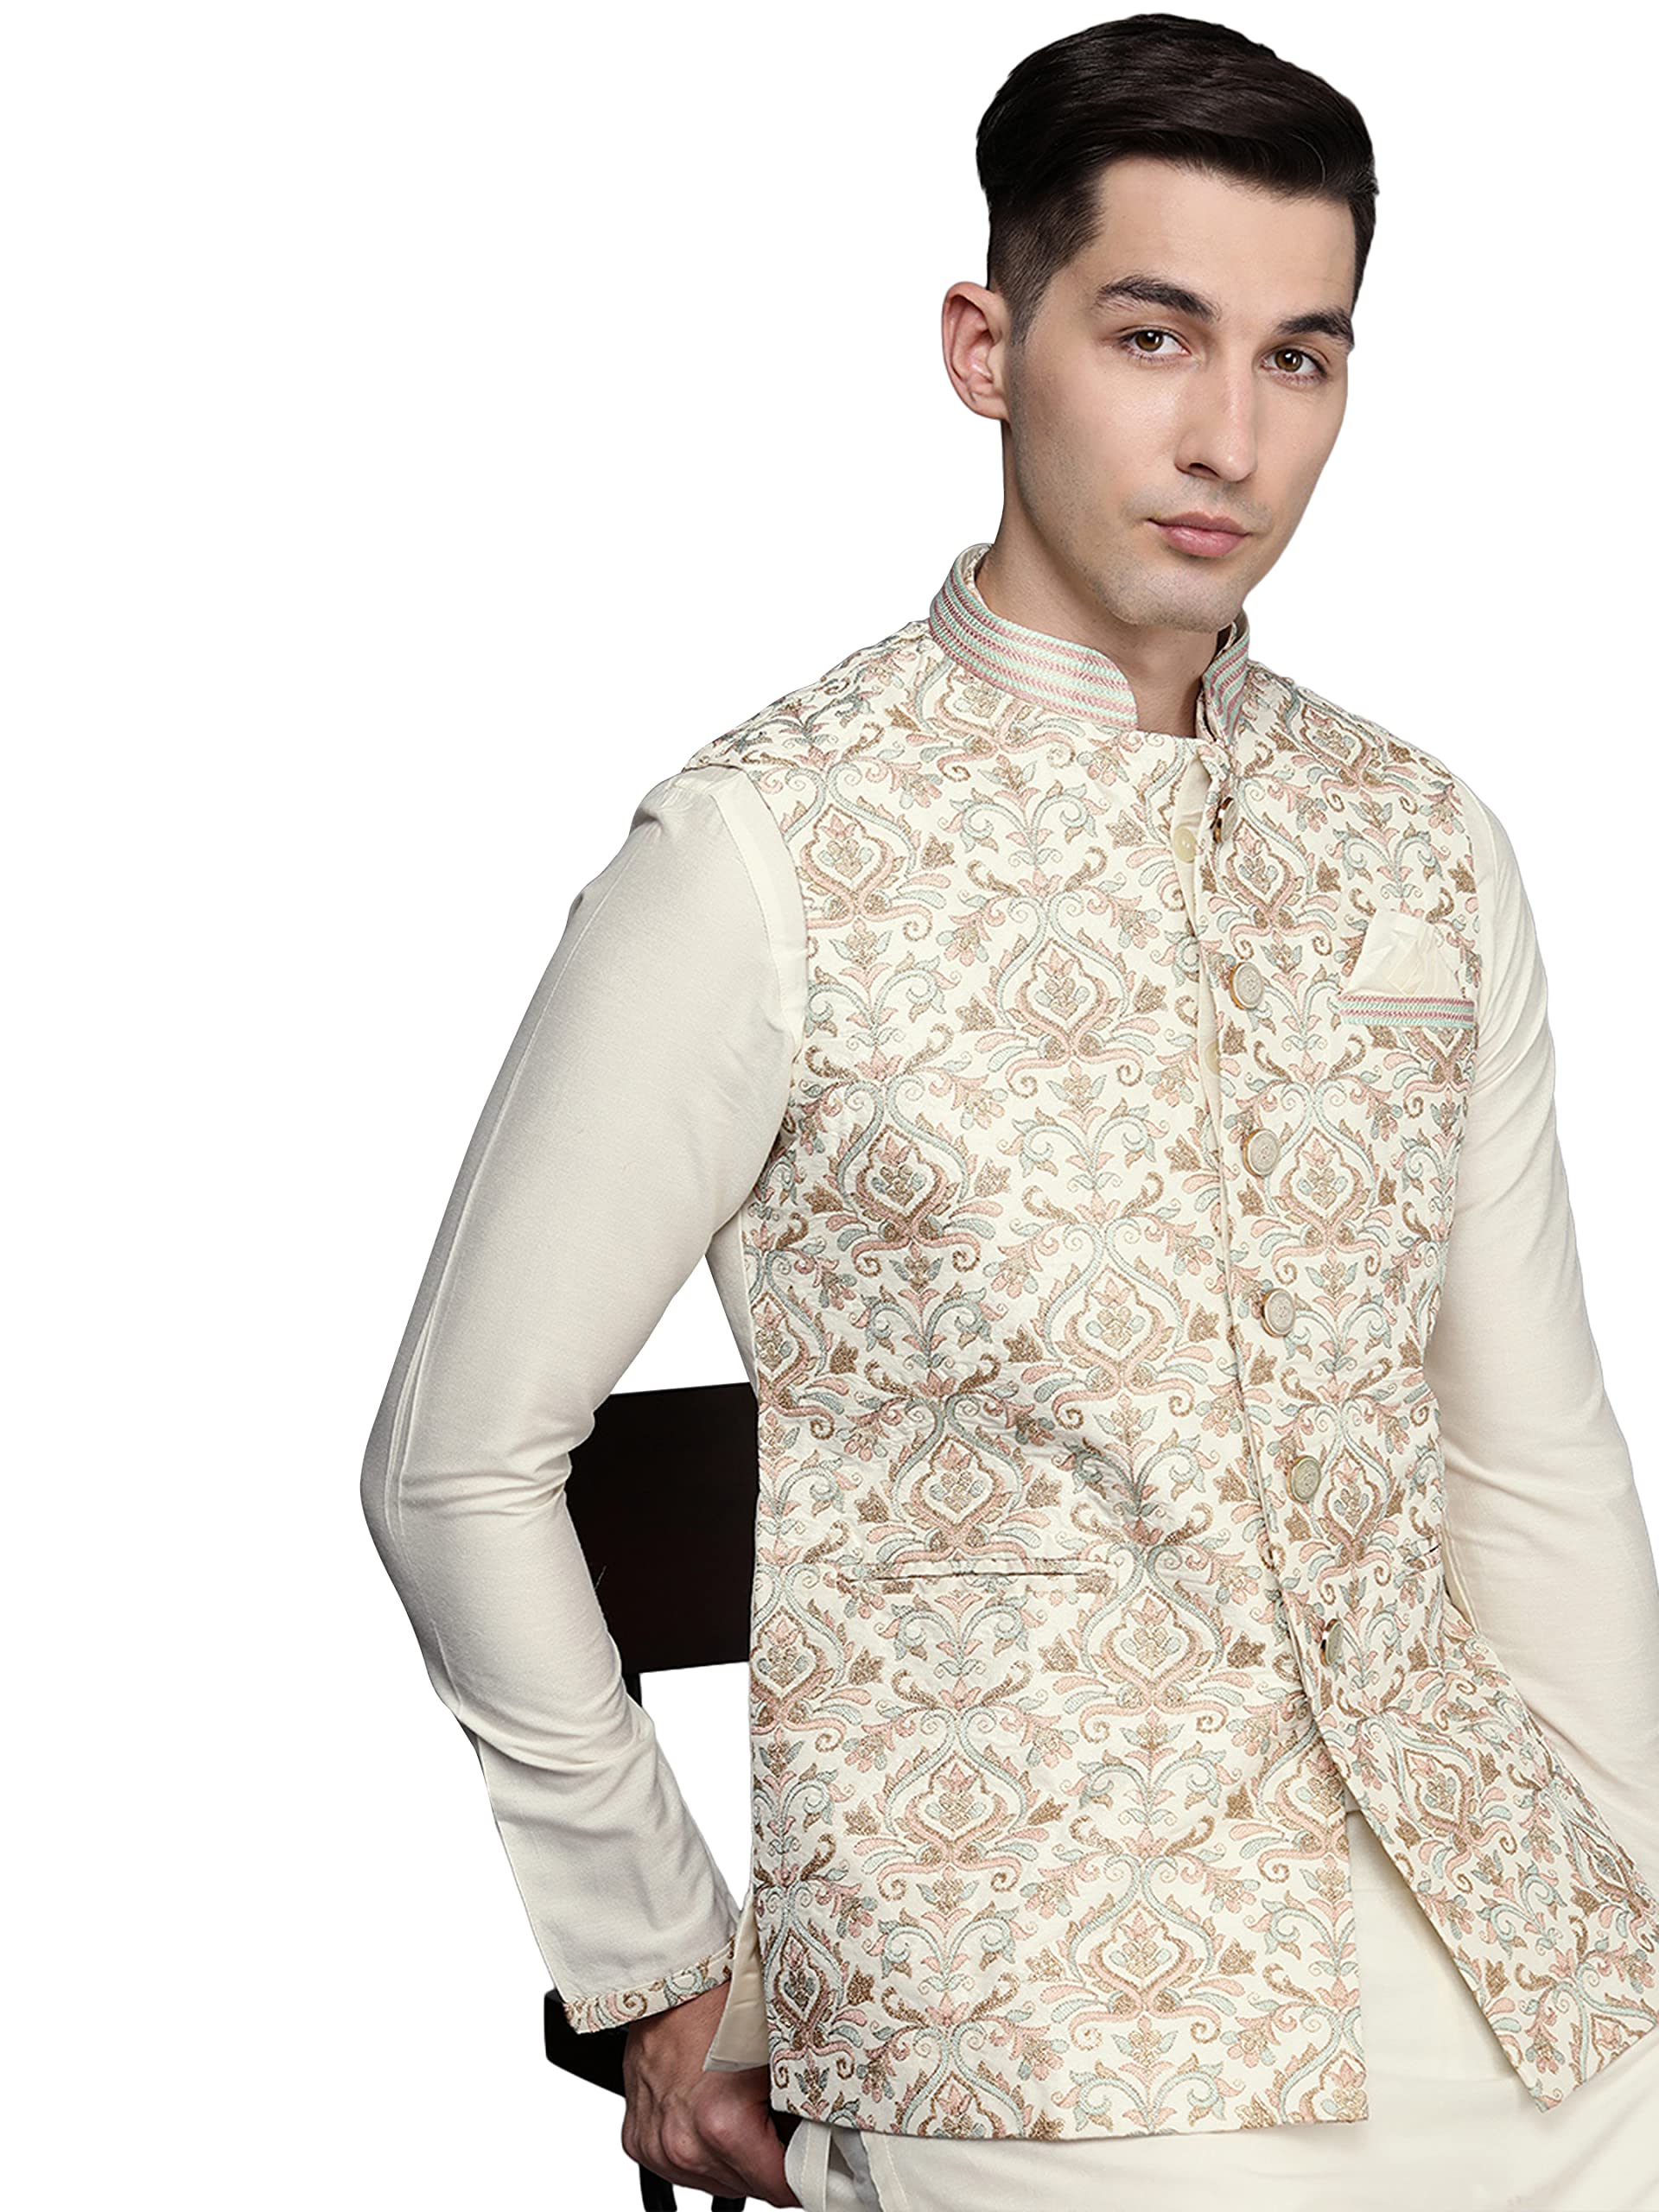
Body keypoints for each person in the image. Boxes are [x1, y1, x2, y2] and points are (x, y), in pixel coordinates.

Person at [359, 14, 1659, 2209]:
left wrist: (1627, 1897)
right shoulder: (765, 853)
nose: (1229, 434)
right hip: (1034, 2022)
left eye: (1300, 357)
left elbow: (1528, 1457)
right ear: (987, 346)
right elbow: (452, 1458)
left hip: (1516, 1950)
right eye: (1155, 335)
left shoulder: (1427, 847)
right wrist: (661, 1966)